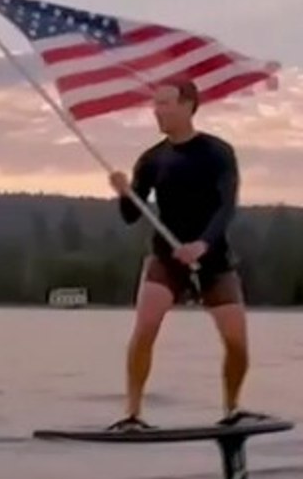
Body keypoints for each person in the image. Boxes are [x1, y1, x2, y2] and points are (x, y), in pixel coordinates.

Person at [105, 77, 269, 431]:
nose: (157, 111)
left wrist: (203, 244)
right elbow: (131, 216)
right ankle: (133, 414)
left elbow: (227, 207)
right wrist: (124, 193)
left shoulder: (217, 153)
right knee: (145, 327)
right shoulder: (152, 159)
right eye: (155, 104)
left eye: (165, 103)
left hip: (213, 257)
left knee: (237, 342)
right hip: (166, 257)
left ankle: (232, 409)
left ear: (188, 106)